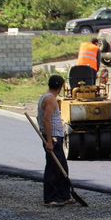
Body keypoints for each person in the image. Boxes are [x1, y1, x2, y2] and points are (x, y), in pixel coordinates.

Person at [37, 75, 73, 206]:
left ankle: (64, 196)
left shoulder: (47, 97)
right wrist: (50, 141)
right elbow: (47, 119)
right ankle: (50, 198)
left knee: (61, 166)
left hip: (55, 136)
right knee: (53, 168)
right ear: (60, 86)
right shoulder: (50, 100)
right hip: (53, 138)